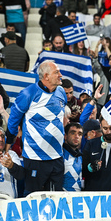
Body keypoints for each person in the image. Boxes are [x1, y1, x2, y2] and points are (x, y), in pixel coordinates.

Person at [6, 60, 67, 195]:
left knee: (56, 198)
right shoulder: (28, 93)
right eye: (56, 72)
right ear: (46, 76)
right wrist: (8, 144)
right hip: (35, 158)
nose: (61, 75)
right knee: (33, 198)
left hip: (57, 156)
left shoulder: (62, 92)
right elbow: (13, 120)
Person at [82, 115, 111, 191]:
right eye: (105, 128)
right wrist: (91, 167)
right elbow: (82, 169)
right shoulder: (91, 144)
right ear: (100, 126)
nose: (108, 132)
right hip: (93, 195)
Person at [0, 126, 22, 198]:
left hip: (9, 200)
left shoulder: (11, 154)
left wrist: (12, 166)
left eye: (2, 136)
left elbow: (21, 176)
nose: (0, 139)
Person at [63, 122, 83, 191]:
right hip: (61, 199)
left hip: (77, 199)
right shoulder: (59, 155)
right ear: (65, 136)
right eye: (73, 133)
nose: (77, 136)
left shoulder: (80, 156)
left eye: (79, 134)